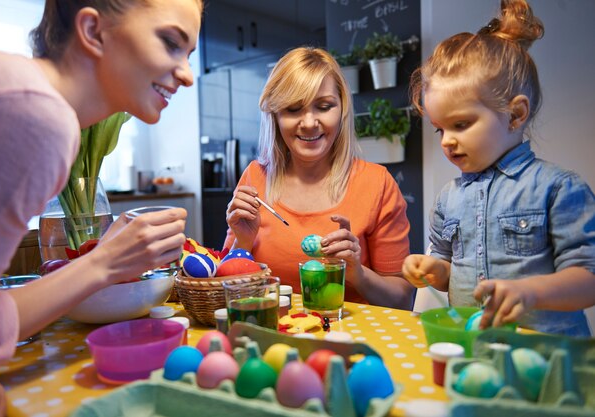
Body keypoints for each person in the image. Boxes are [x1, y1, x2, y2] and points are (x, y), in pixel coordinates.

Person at [0, 0, 202, 414]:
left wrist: (105, 261)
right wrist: (105, 262)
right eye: (170, 42)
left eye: (190, 54)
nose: (186, 74)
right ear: (93, 31)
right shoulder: (37, 117)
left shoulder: (17, 90)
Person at [402, 0, 595, 336]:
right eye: (440, 128)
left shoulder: (558, 188)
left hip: (548, 356)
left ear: (515, 115)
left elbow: (588, 278)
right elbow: (452, 272)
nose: (446, 140)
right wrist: (435, 270)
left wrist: (531, 292)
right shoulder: (449, 199)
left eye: (461, 124)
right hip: (476, 348)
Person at [224, 47, 415, 309]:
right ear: (275, 115)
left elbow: (403, 299)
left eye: (324, 107)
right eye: (293, 109)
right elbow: (224, 287)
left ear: (342, 109)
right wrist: (242, 241)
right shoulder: (254, 178)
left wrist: (357, 273)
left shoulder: (377, 183)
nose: (310, 122)